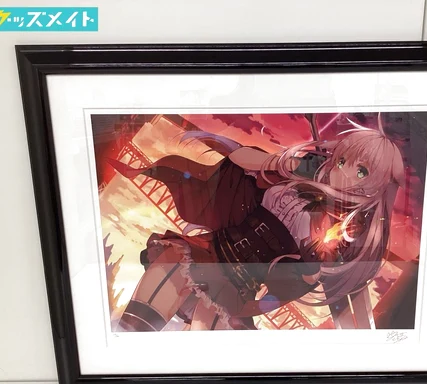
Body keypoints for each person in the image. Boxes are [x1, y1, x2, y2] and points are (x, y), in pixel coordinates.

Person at [110, 115, 405, 331]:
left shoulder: (340, 237)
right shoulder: (295, 178)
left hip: (237, 290)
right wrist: (279, 163)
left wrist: (300, 279)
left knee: (201, 365)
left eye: (362, 171)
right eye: (342, 162)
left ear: (376, 186)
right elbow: (243, 159)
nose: (344, 174)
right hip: (207, 251)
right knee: (136, 323)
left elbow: (294, 292)